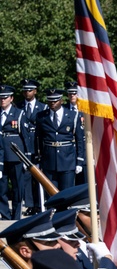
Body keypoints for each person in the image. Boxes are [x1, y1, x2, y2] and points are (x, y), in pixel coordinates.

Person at [34, 88, 84, 196]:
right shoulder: (41, 116)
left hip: (67, 160)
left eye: (55, 100)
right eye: (50, 101)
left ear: (61, 100)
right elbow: (38, 139)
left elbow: (80, 140)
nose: (52, 103)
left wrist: (79, 161)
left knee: (67, 194)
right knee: (51, 195)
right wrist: (38, 159)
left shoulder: (73, 115)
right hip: (49, 161)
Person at [0, 85, 27, 221]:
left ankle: (16, 215)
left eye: (5, 97)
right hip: (1, 156)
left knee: (17, 187)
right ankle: (5, 214)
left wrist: (26, 158)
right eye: (1, 98)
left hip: (15, 155)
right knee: (1, 187)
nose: (2, 100)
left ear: (11, 98)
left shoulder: (19, 113)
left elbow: (25, 137)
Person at [16, 78, 42, 215]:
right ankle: (30, 205)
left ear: (35, 91)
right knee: (26, 176)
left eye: (30, 90)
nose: (27, 92)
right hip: (23, 144)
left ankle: (39, 204)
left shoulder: (42, 107)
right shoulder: (18, 107)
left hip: (36, 144)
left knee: (38, 176)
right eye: (25, 90)